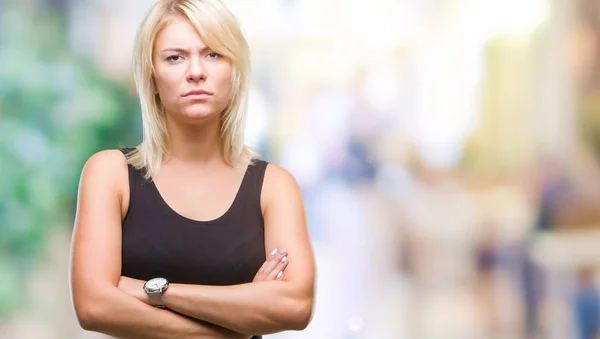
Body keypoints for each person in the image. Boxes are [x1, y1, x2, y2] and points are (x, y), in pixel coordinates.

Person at [68, 0, 316, 338]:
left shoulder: (274, 186)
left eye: (213, 54)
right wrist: (237, 323)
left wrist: (153, 291)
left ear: (234, 70)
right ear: (152, 77)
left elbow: (295, 307)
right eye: (175, 57)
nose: (196, 71)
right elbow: (94, 307)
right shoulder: (110, 174)